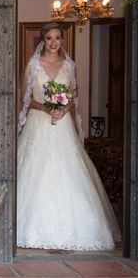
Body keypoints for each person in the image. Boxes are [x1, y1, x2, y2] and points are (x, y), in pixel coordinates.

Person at [16, 22, 120, 250]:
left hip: (62, 125)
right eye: (49, 38)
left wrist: (64, 108)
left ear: (62, 40)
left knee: (69, 168)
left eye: (58, 38)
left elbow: (73, 96)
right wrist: (45, 108)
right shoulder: (32, 66)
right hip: (39, 124)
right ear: (43, 41)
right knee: (36, 168)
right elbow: (25, 99)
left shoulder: (69, 66)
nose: (54, 42)